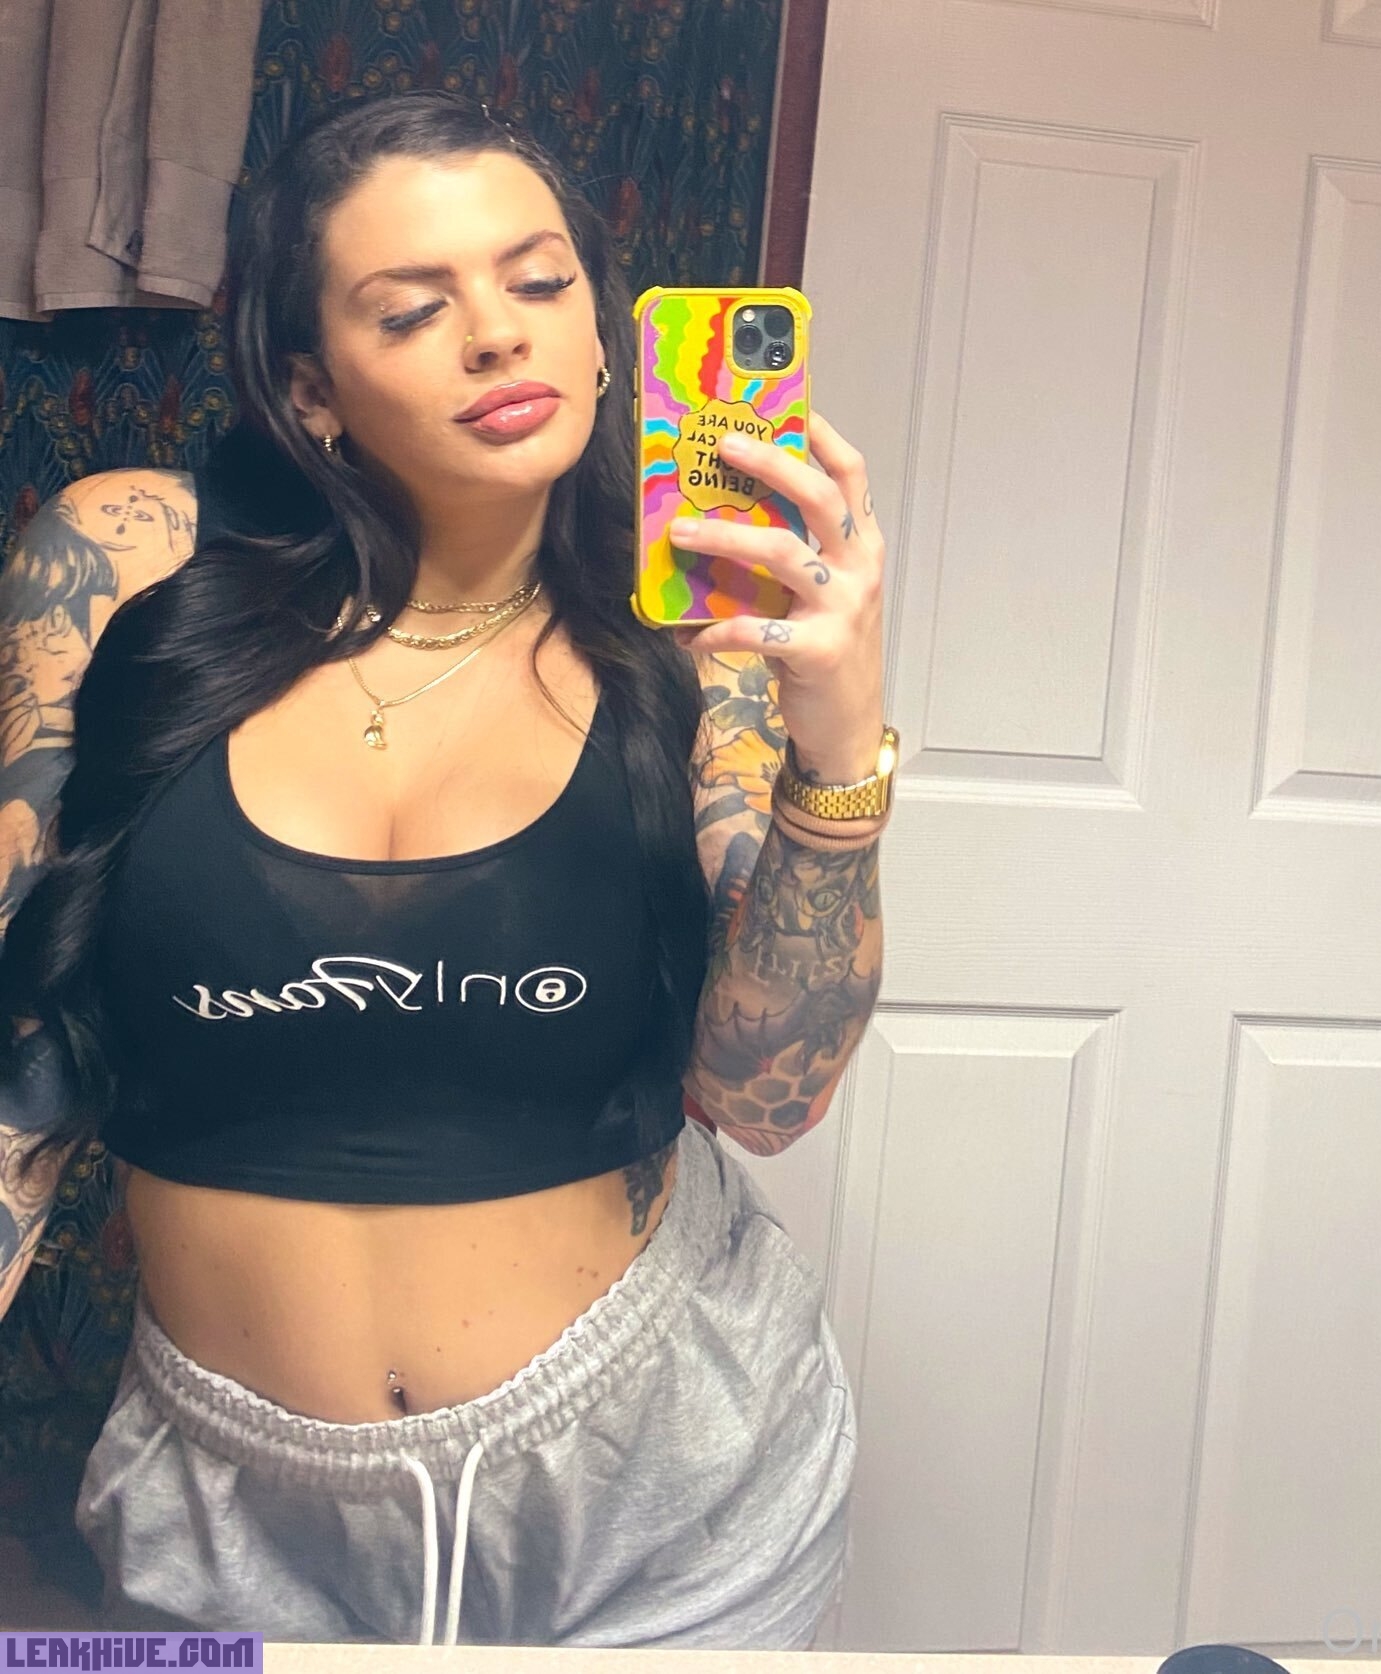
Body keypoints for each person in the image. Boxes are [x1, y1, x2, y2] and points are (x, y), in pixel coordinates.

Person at [0, 90, 893, 1649]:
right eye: (413, 309)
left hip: (659, 1484)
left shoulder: (700, 633)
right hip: (228, 1509)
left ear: (605, 341)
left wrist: (840, 749)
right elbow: (16, 1061)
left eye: (540, 282)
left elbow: (766, 1092)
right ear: (312, 391)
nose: (496, 333)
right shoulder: (125, 560)